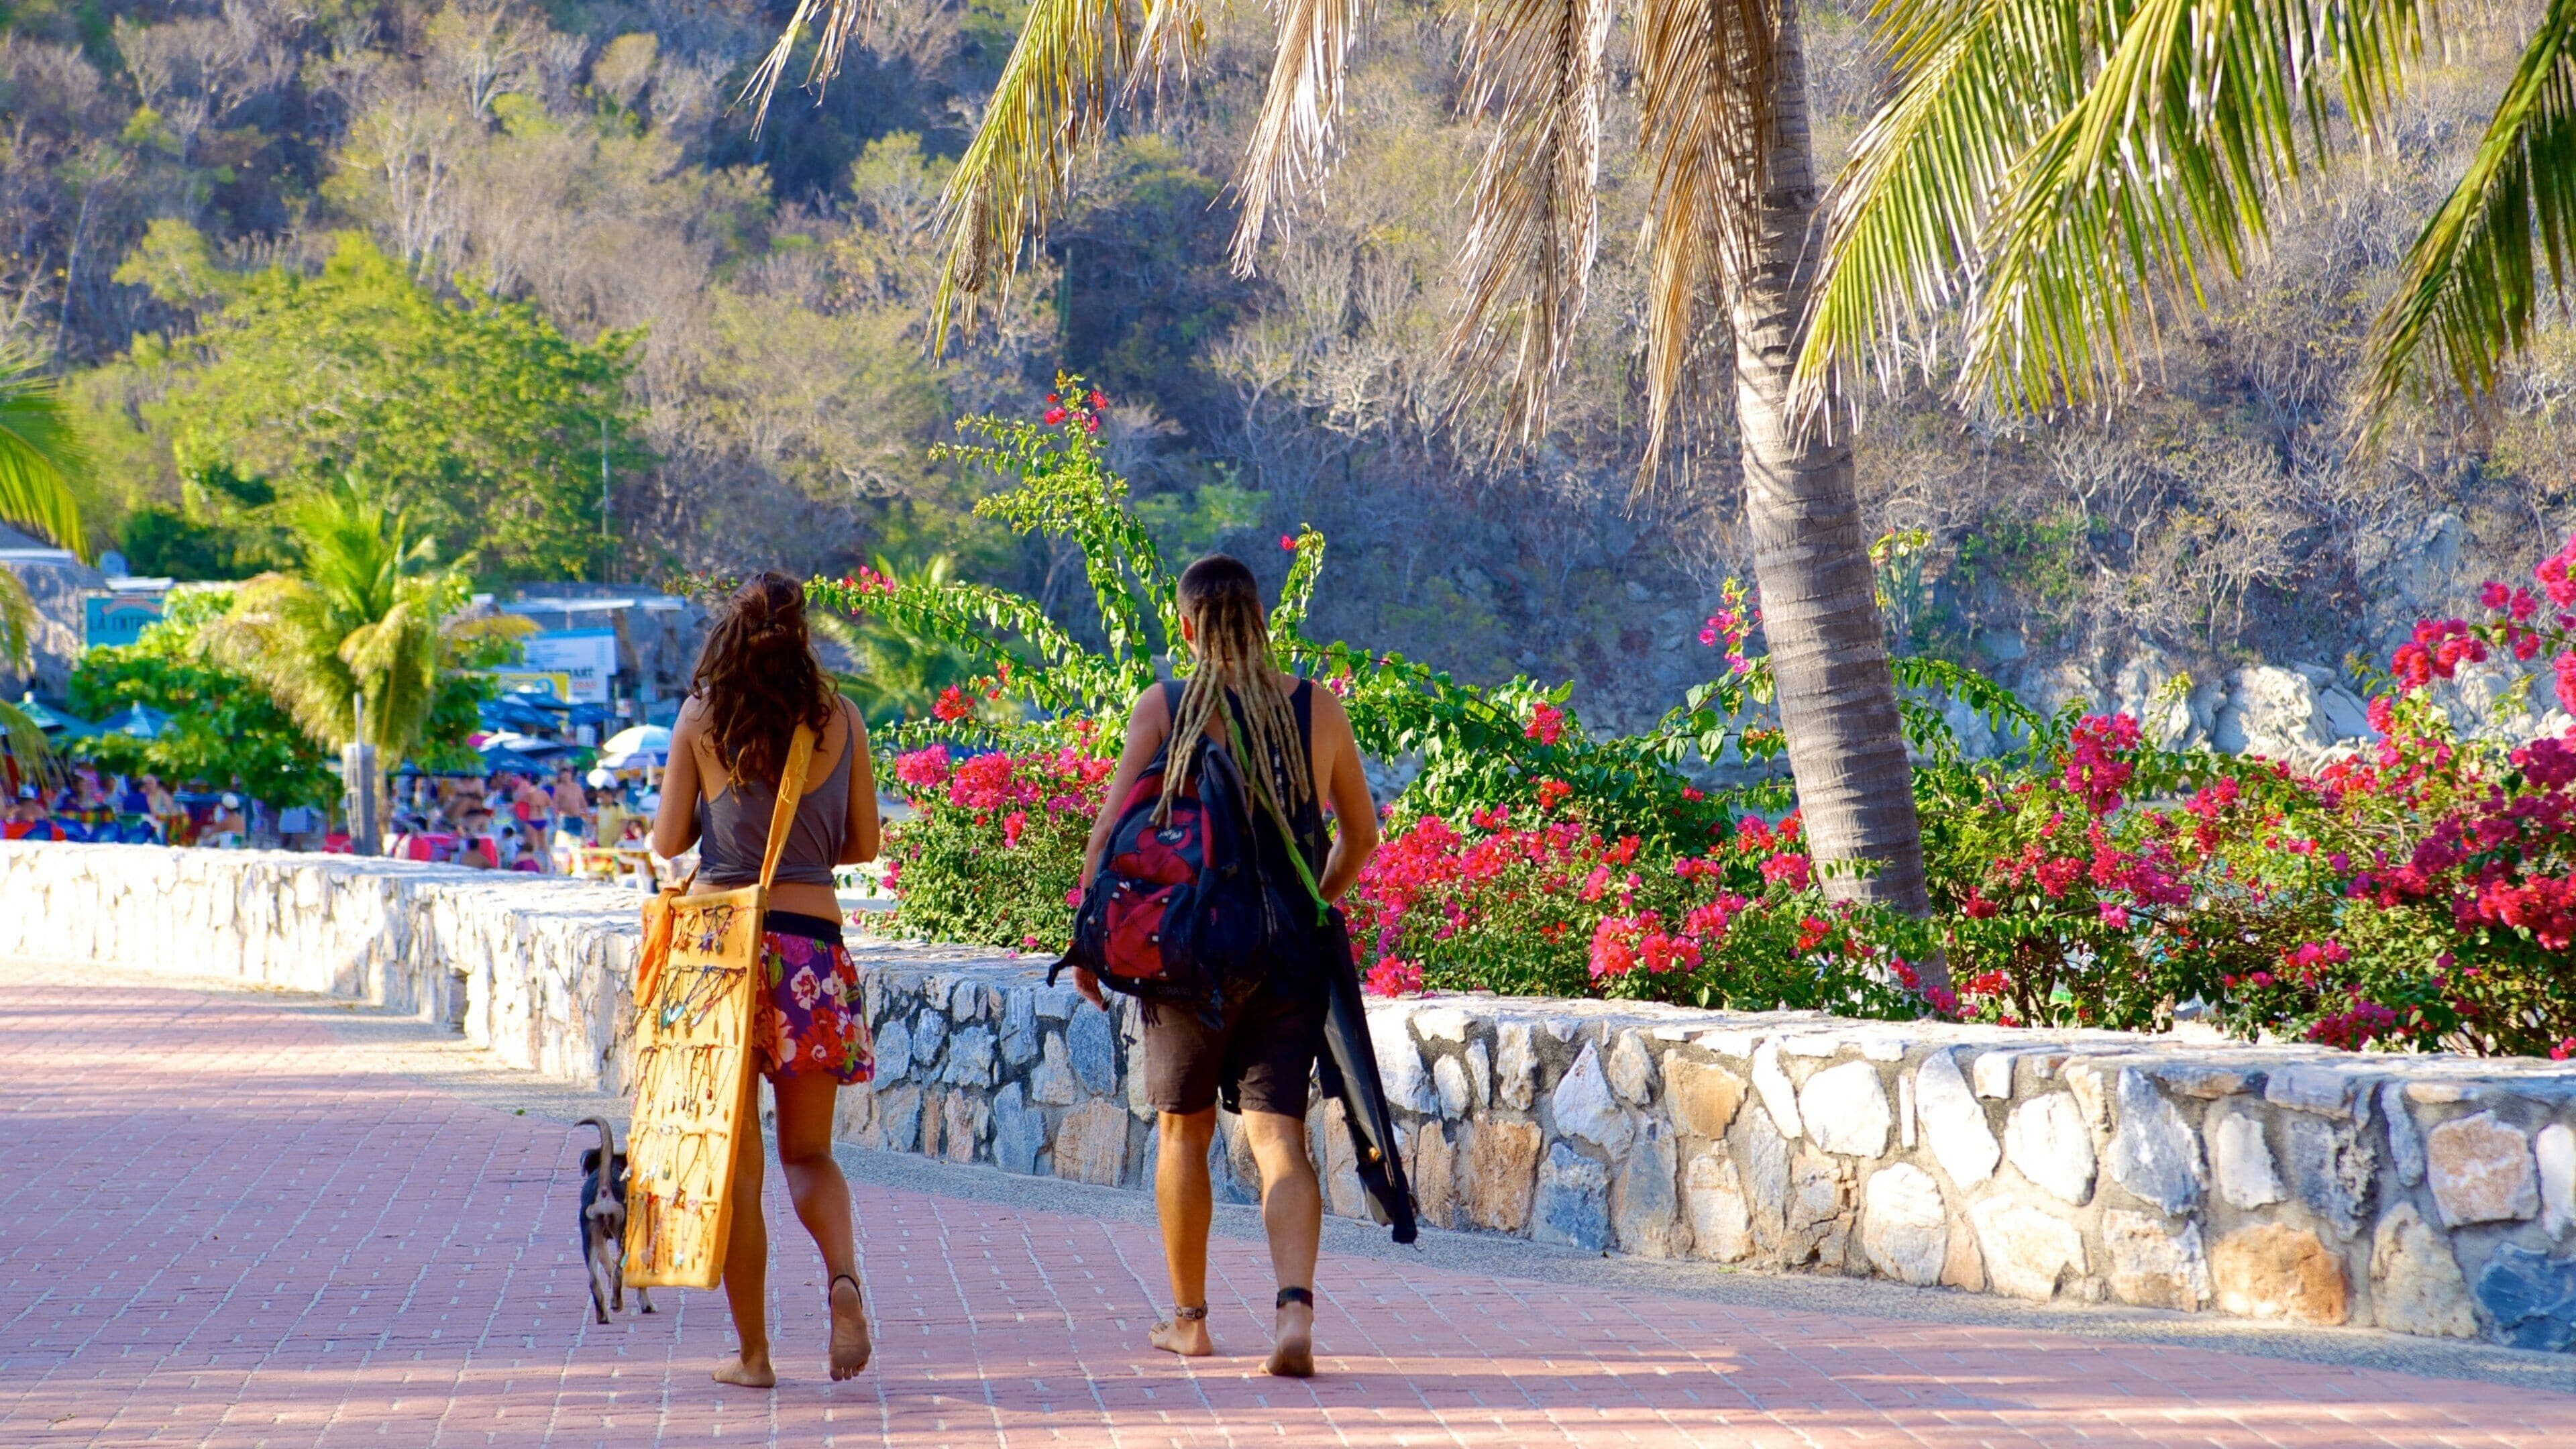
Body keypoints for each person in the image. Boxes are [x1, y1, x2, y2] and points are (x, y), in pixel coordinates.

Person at [1071, 553, 1380, 1377]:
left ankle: (1190, 1321)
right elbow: (1363, 837)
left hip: (1188, 956)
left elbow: (1108, 836)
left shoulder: (1166, 706)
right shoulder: (1316, 708)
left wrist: (1088, 940)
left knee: (1183, 1130)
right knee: (1280, 1136)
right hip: (1285, 952)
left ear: (1187, 627)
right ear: (1260, 620)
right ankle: (1293, 1311)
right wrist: (1313, 896)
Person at [653, 571, 882, 1387]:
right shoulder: (841, 719)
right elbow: (864, 845)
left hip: (720, 952)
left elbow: (668, 839)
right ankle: (844, 1283)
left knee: (737, 1168)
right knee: (809, 1153)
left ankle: (754, 1358)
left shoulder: (699, 717)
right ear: (804, 636)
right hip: (812, 948)